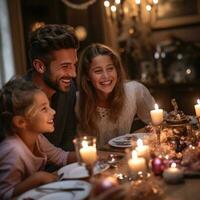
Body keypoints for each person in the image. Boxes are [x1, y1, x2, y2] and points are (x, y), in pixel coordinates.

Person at [0, 77, 76, 200]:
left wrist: (94, 156)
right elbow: (4, 195)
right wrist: (37, 178)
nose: (53, 111)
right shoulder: (13, 150)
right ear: (20, 122)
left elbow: (61, 157)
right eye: (44, 109)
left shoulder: (37, 138)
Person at [76, 43, 155, 148]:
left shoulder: (134, 91)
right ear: (87, 76)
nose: (106, 76)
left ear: (116, 70)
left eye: (110, 68)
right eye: (98, 71)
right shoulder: (77, 101)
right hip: (96, 162)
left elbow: (158, 122)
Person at [24, 24, 79, 151]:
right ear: (40, 66)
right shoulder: (16, 100)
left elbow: (68, 144)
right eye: (65, 66)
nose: (73, 74)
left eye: (74, 65)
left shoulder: (69, 88)